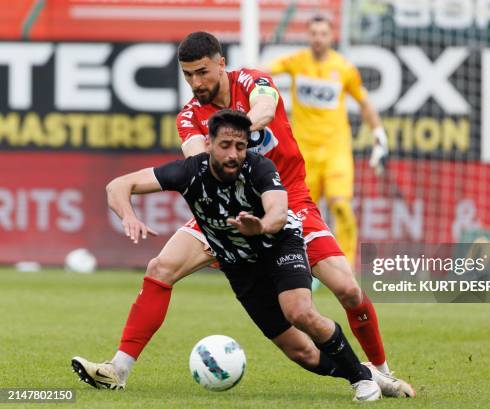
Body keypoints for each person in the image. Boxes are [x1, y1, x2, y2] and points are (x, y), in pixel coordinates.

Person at [71, 31, 414, 398]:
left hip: (288, 199)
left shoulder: (252, 80)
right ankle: (117, 369)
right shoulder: (189, 115)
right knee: (160, 268)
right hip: (227, 207)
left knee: (346, 288)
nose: (196, 83)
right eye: (188, 75)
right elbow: (195, 155)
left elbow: (265, 108)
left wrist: (235, 132)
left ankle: (381, 371)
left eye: (202, 72)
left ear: (222, 63)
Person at [262, 14, 389, 266]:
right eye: (314, 33)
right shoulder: (296, 62)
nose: (318, 39)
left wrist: (379, 135)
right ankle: (299, 263)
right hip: (304, 154)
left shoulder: (344, 69)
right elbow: (262, 72)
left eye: (323, 34)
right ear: (308, 36)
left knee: (341, 206)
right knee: (297, 213)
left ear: (331, 37)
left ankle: (347, 266)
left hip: (335, 151)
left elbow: (365, 103)